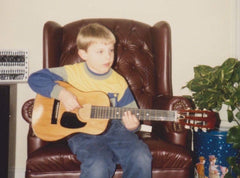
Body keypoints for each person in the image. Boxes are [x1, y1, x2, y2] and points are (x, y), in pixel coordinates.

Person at [28, 23, 152, 178]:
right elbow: (36, 79)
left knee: (141, 157)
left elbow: (131, 112)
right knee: (98, 164)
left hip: (116, 129)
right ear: (83, 54)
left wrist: (133, 125)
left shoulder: (118, 81)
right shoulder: (72, 72)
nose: (108, 56)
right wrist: (62, 94)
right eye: (100, 51)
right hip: (81, 132)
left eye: (111, 50)